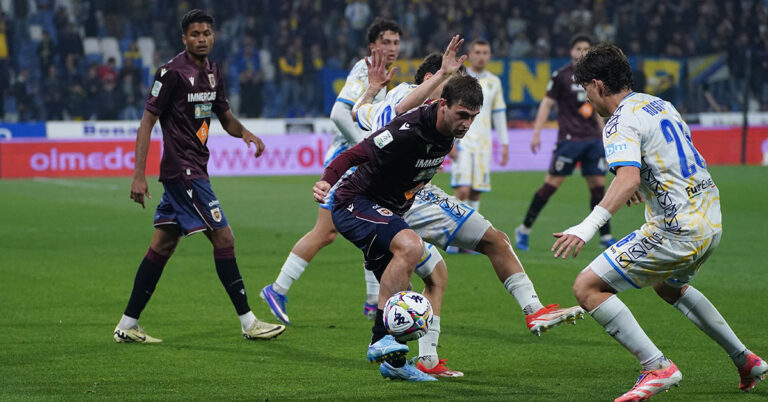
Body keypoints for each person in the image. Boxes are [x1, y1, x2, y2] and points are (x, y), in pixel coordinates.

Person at [353, 44, 585, 378]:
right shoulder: (413, 102)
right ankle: (533, 309)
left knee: (436, 273)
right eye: (451, 81)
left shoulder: (393, 103)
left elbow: (359, 113)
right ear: (434, 81)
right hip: (405, 198)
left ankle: (424, 361)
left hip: (376, 203)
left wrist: (373, 88)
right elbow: (399, 113)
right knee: (495, 241)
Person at [552, 43, 768, 401]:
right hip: (710, 219)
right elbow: (668, 158)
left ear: (598, 85)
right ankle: (745, 360)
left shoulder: (619, 120)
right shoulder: (658, 104)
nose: (588, 99)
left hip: (676, 229)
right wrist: (638, 180)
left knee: (587, 287)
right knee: (668, 287)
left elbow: (628, 179)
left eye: (586, 90)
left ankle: (656, 366)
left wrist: (586, 227)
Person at [113, 9, 285, 344]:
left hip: (194, 169)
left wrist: (247, 134)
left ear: (213, 36)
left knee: (163, 244)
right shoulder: (171, 73)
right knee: (225, 238)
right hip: (184, 172)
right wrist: (138, 175)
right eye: (195, 34)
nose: (202, 39)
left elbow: (227, 118)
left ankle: (127, 324)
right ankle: (249, 322)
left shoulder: (213, 73)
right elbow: (147, 122)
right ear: (184, 38)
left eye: (206, 33)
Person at [314, 73, 485, 382]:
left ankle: (394, 364)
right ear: (442, 105)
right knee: (410, 246)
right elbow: (354, 153)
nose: (467, 124)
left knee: (406, 297)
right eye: (462, 115)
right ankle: (380, 339)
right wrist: (326, 180)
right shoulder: (407, 131)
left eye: (473, 117)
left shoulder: (445, 133)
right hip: (354, 202)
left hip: (384, 209)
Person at [260, 18, 401, 324]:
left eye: (396, 42)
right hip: (347, 160)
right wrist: (366, 144)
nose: (392, 48)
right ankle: (276, 289)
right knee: (326, 232)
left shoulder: (382, 75)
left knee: (375, 226)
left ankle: (372, 301)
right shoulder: (363, 70)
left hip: (365, 162)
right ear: (373, 46)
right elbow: (339, 112)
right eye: (386, 42)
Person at [515, 34, 616, 251]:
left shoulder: (596, 79)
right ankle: (524, 229)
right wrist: (536, 133)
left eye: (586, 48)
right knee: (551, 185)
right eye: (578, 48)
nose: (582, 52)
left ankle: (606, 237)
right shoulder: (561, 76)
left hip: (592, 141)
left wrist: (605, 137)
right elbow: (546, 104)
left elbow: (600, 112)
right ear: (571, 51)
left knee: (598, 188)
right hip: (569, 140)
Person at [448, 39, 508, 246]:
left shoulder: (494, 82)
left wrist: (505, 143)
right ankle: (453, 236)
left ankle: (469, 239)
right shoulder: (460, 80)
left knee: (475, 192)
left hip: (483, 145)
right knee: (462, 190)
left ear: (489, 56)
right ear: (471, 54)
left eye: (485, 52)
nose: (481, 56)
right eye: (478, 52)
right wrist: (450, 142)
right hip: (462, 143)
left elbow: (498, 114)